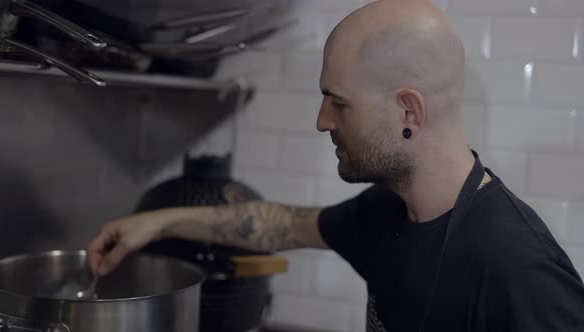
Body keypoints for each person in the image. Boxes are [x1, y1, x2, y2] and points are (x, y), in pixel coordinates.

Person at [87, 0, 584, 331]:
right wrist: (151, 224)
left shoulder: (517, 268)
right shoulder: (386, 212)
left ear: (409, 110)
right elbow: (281, 225)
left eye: (338, 102)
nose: (322, 121)